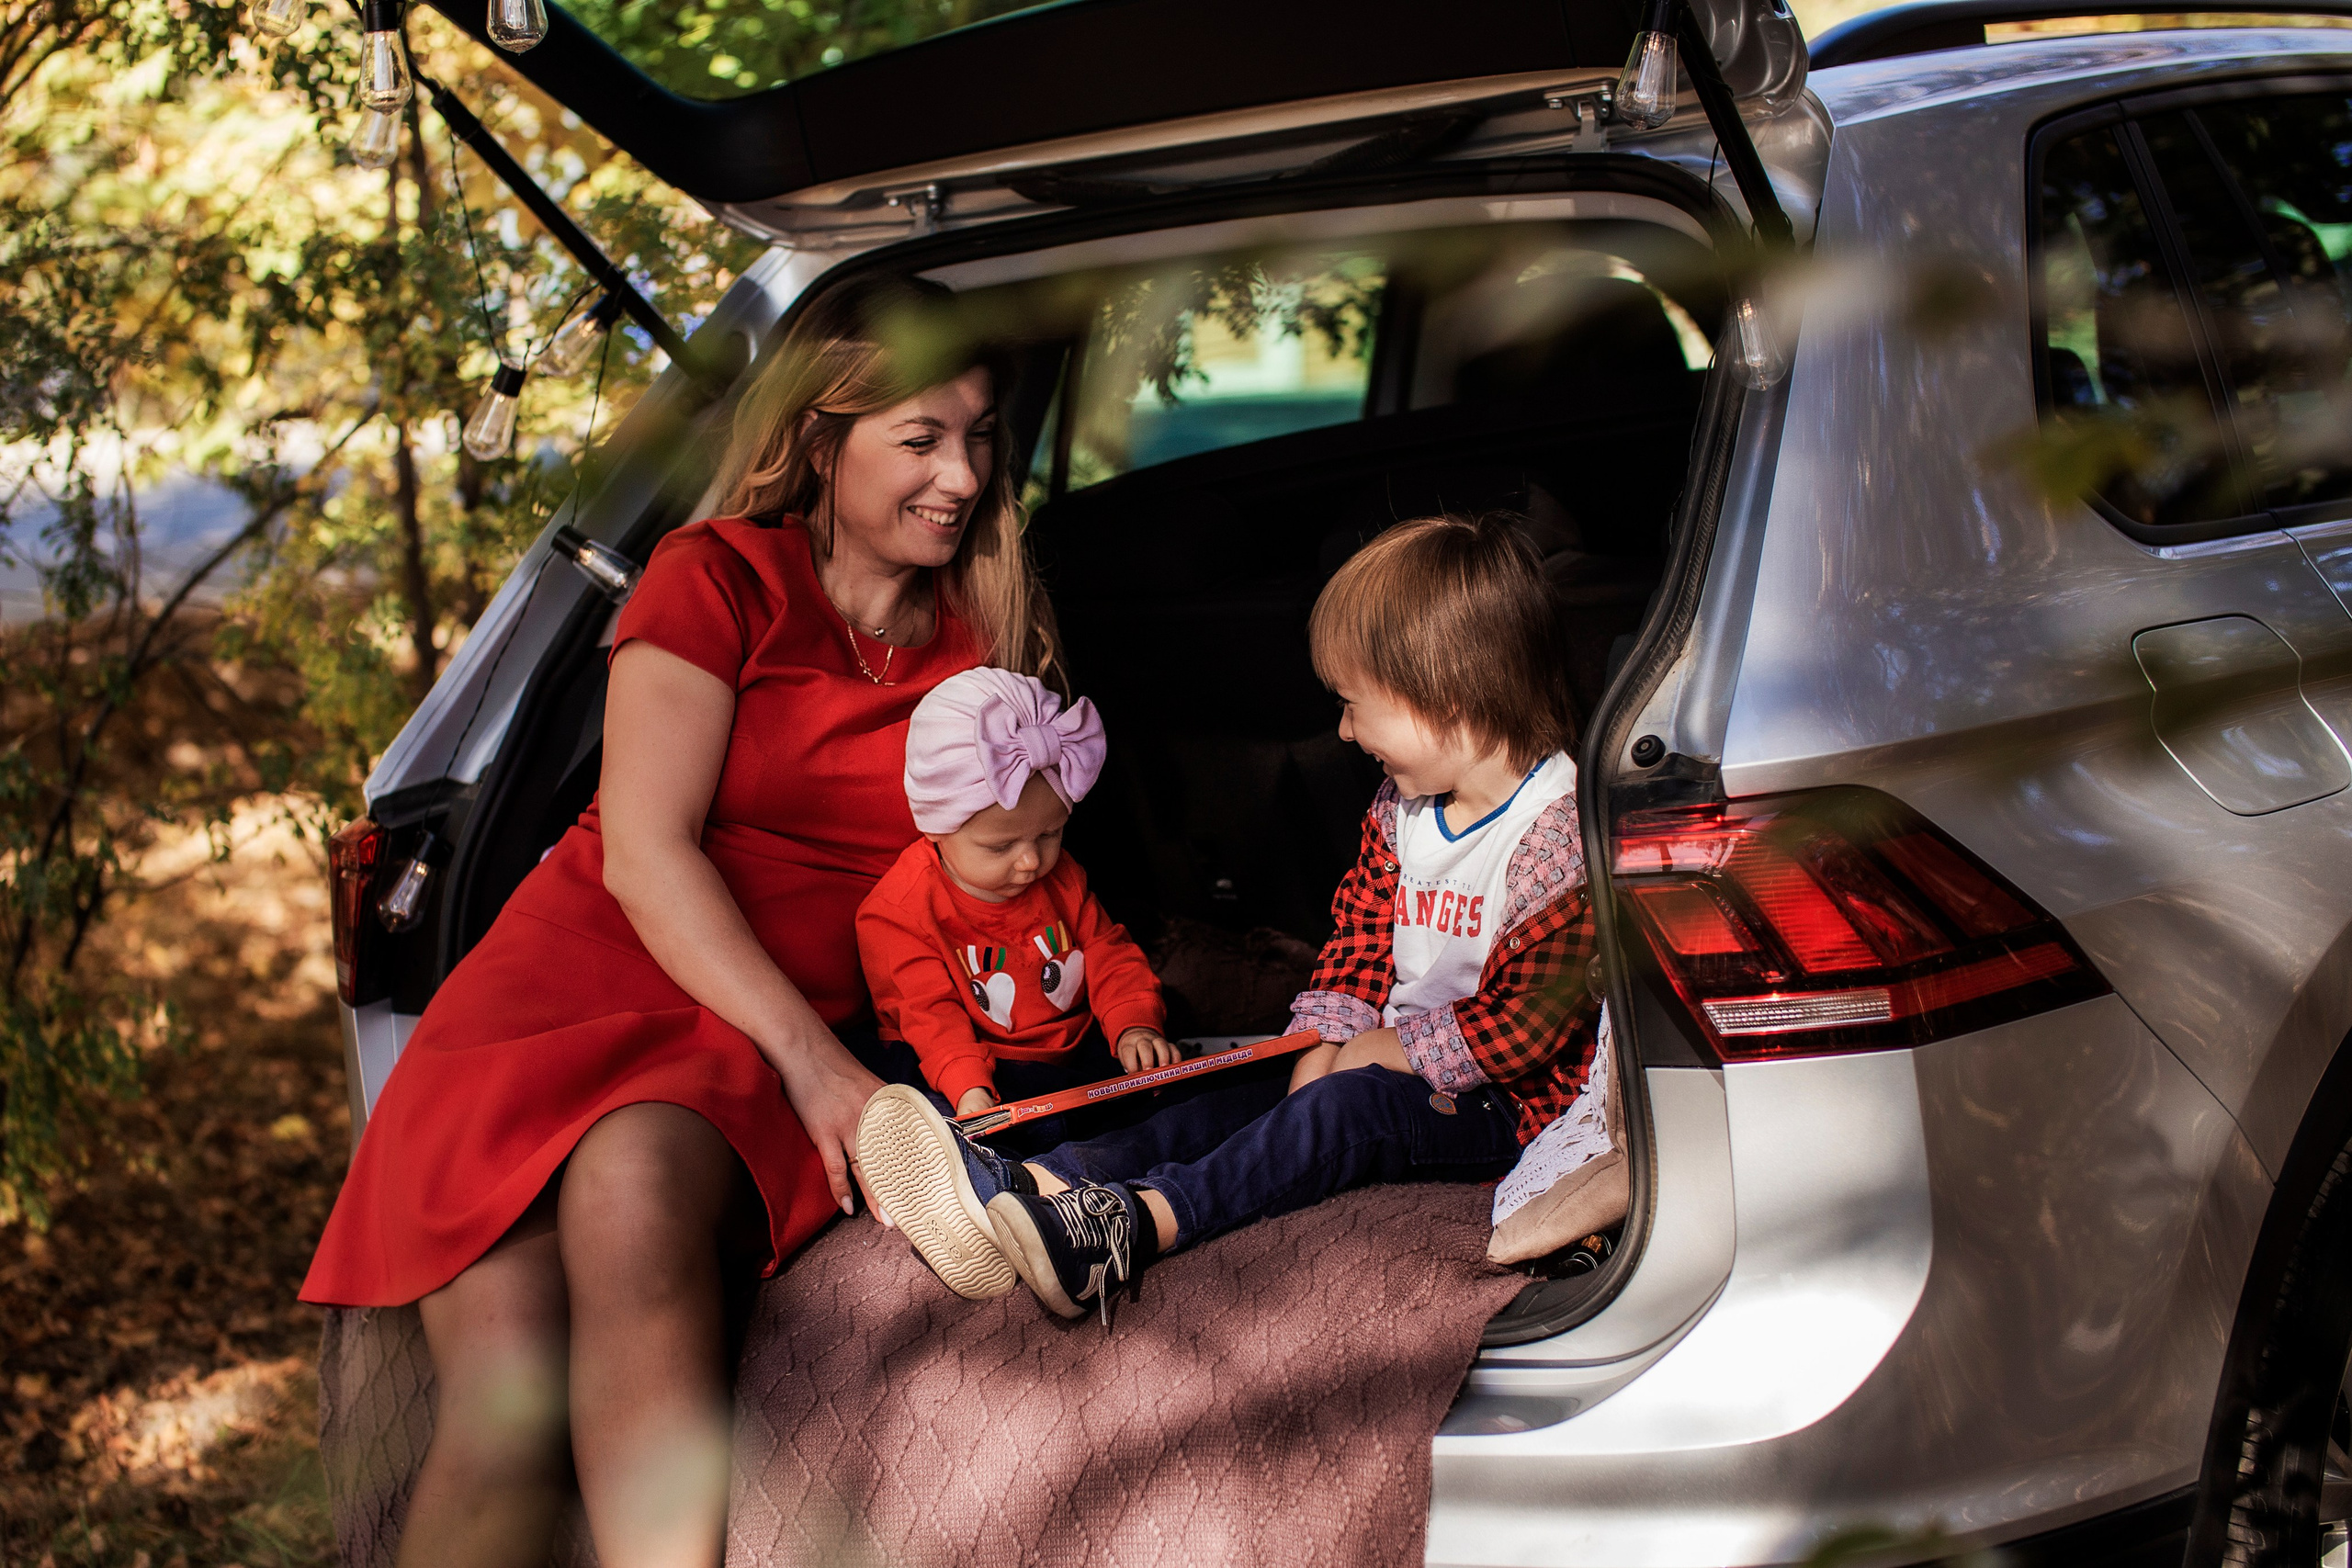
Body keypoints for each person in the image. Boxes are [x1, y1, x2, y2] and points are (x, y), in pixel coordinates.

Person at [298, 274, 1061, 1568]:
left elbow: (1002, 879)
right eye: (919, 438)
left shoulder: (991, 635)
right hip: (570, 987)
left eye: (980, 435)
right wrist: (821, 1068)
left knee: (639, 1180)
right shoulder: (717, 576)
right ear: (820, 440)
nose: (962, 473)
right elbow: (646, 855)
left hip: (740, 1034)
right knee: (504, 1413)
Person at [858, 513, 1608, 1325]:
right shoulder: (1404, 807)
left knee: (1334, 1115)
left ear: (1446, 702)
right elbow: (1360, 937)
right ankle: (1035, 1181)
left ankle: (1132, 1226)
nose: (1346, 730)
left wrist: (1364, 1054)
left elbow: (1520, 1028)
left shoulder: (1558, 837)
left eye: (1356, 706)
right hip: (1391, 1051)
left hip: (1502, 1105)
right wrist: (1320, 1039)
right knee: (1251, 1079)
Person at [854, 666, 1183, 1295]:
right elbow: (930, 1014)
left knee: (1149, 1092)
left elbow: (1108, 951)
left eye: (1050, 834)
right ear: (935, 825)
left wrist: (1135, 1021)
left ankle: (1062, 1185)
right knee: (936, 1115)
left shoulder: (1059, 879)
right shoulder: (900, 908)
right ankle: (981, 1200)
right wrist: (972, 1089)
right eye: (1000, 846)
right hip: (962, 1062)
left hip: (1065, 1055)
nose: (1031, 861)